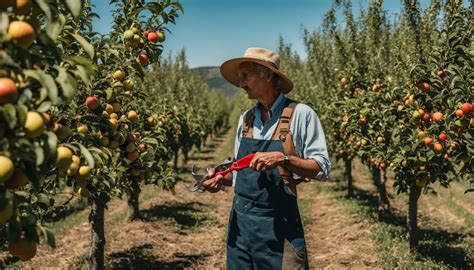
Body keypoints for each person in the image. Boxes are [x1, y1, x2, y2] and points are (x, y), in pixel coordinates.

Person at [202, 47, 330, 269]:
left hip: (279, 228)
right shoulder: (246, 119)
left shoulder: (300, 114)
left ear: (268, 75)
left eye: (246, 76)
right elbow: (240, 172)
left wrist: (283, 159)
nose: (241, 84)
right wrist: (220, 179)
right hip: (241, 228)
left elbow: (321, 168)